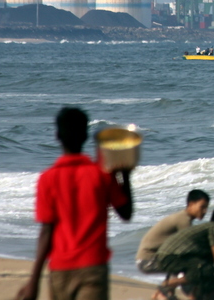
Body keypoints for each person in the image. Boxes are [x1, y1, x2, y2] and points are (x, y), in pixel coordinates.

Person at [17, 107, 133, 300]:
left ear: (57, 136)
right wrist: (125, 177)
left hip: (60, 269)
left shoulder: (47, 179)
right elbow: (126, 213)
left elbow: (47, 231)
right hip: (93, 265)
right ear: (86, 136)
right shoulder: (102, 174)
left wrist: (34, 280)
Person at [155, 205, 214, 300]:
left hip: (185, 277)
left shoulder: (205, 232)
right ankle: (194, 293)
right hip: (191, 281)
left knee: (209, 267)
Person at [136, 189, 210, 299]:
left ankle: (165, 292)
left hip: (149, 259)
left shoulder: (183, 218)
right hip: (147, 261)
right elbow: (193, 248)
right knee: (195, 265)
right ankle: (166, 292)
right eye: (202, 207)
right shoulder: (183, 220)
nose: (205, 211)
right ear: (191, 204)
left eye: (206, 208)